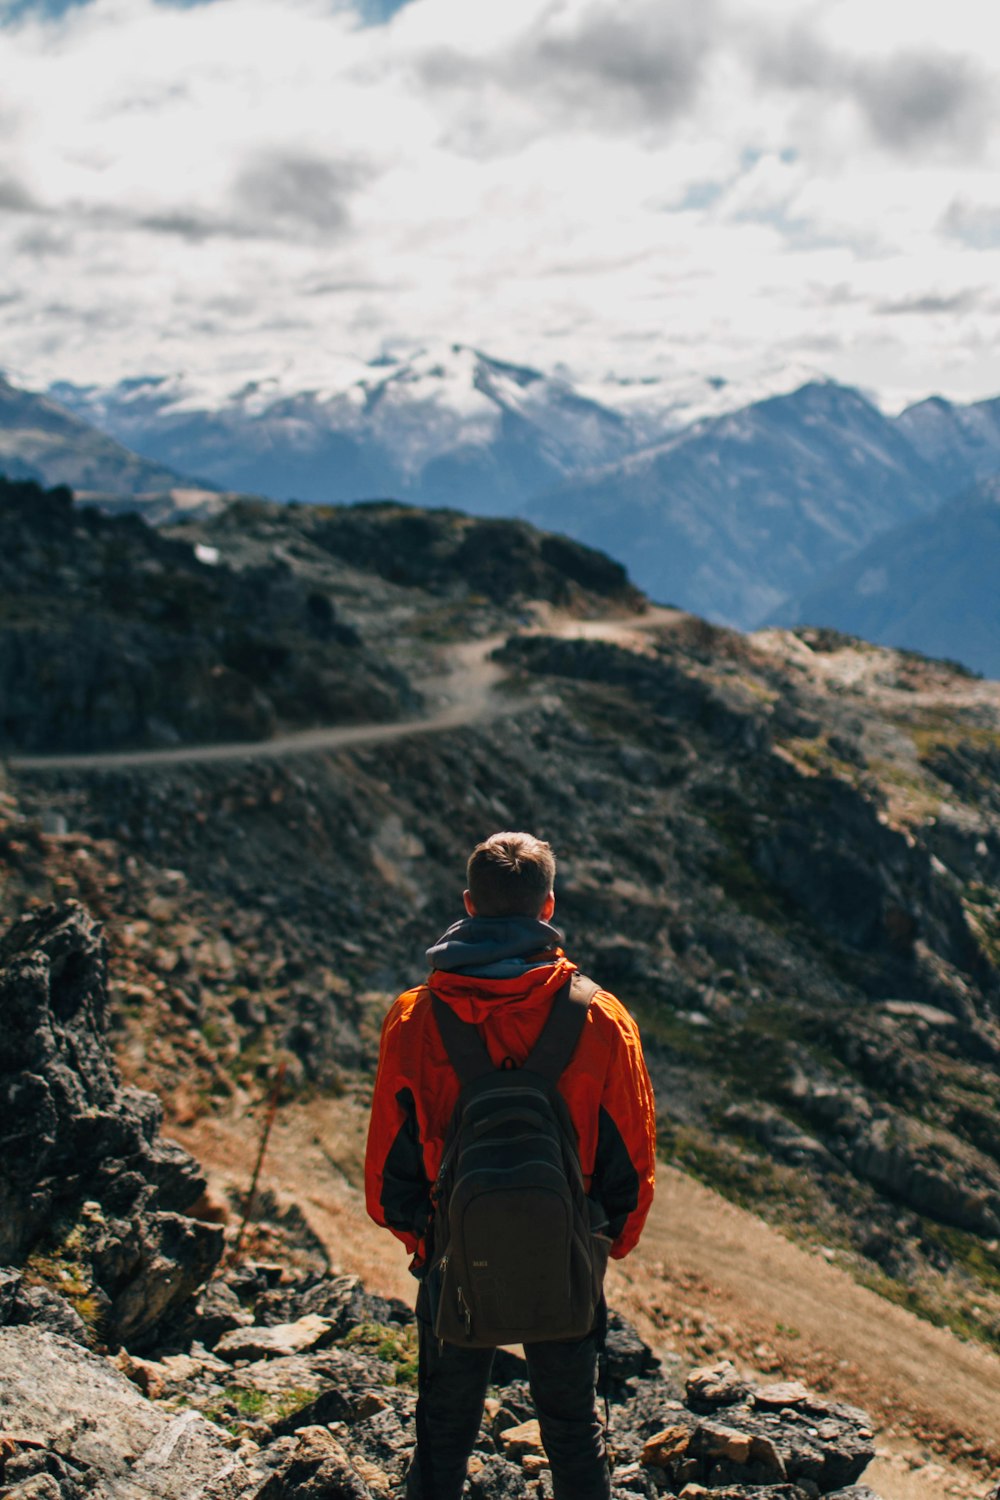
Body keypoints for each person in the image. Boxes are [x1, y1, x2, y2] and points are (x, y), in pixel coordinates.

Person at [365, 831, 656, 1500]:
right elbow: (630, 1164)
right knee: (574, 1433)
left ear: (469, 904)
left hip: (456, 1258)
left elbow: (388, 1171)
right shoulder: (603, 1019)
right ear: (548, 908)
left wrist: (429, 1244)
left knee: (442, 1433)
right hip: (565, 1254)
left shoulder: (414, 1019)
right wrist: (600, 1245)